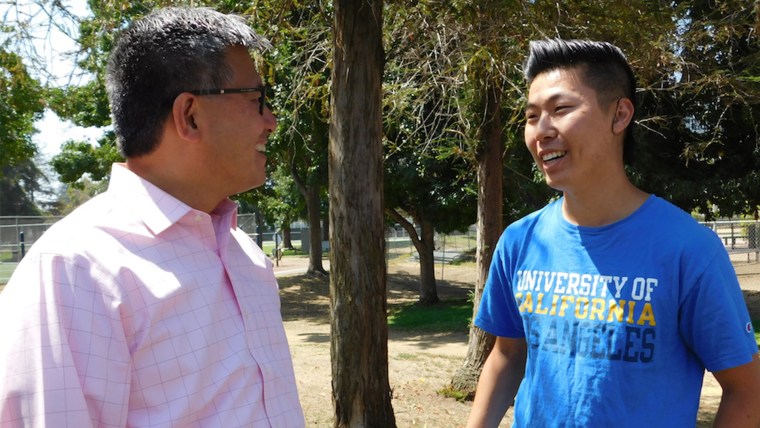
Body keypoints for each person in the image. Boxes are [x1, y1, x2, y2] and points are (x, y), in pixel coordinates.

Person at [0, 7, 304, 427]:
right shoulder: (77, 268)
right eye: (257, 101)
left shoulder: (243, 254)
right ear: (190, 115)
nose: (270, 122)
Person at [467, 39, 760, 427]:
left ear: (619, 115)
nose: (541, 131)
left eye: (561, 109)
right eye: (531, 116)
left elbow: (747, 389)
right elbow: (507, 356)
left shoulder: (688, 250)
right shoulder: (520, 241)